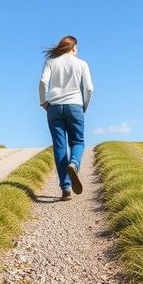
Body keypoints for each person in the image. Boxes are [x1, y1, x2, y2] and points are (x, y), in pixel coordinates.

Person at [38, 35, 94, 201]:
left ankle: (66, 188)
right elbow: (89, 88)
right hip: (75, 106)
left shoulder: (51, 62)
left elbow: (43, 82)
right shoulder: (82, 64)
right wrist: (84, 106)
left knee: (59, 146)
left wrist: (43, 102)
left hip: (54, 107)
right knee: (77, 141)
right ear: (74, 48)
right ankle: (74, 164)